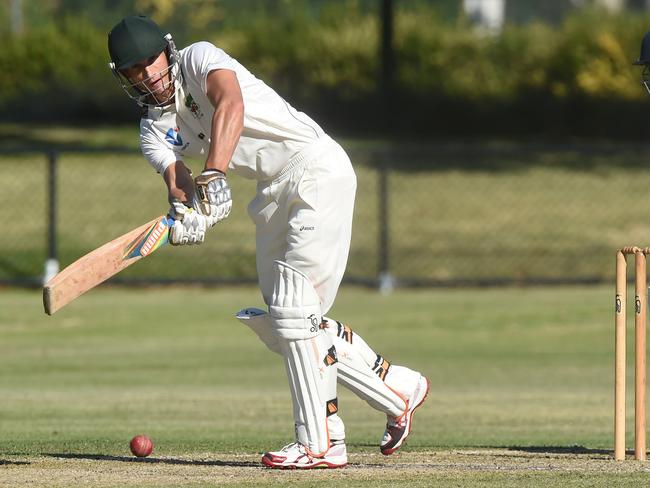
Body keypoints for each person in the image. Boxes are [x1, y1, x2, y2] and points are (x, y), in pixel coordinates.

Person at [107, 15, 429, 469]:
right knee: (286, 322)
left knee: (297, 314)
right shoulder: (152, 131)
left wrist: (215, 172)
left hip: (314, 166)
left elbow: (230, 104)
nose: (148, 74)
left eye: (150, 61)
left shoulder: (200, 58)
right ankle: (397, 388)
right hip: (272, 193)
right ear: (123, 77)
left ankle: (320, 442)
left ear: (167, 51)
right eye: (133, 70)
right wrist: (188, 215)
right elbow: (178, 181)